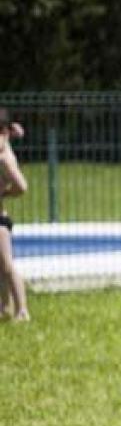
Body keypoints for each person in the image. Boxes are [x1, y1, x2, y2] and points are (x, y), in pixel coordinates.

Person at [0, 109, 30, 322]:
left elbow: (22, 186)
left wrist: (4, 193)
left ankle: (22, 310)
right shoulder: (4, 146)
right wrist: (13, 130)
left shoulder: (4, 159)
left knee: (7, 266)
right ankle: (5, 307)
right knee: (0, 268)